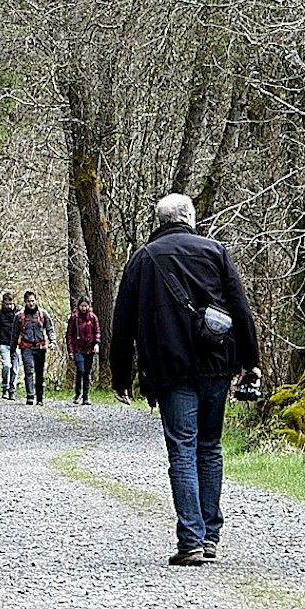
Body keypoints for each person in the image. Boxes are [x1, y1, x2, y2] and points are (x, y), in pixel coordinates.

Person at [110, 193, 261, 567]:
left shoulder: (143, 259)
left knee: (182, 449)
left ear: (160, 221)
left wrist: (120, 374)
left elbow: (123, 321)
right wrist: (250, 361)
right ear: (190, 218)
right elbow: (241, 310)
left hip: (169, 368)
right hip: (217, 364)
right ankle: (209, 537)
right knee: (209, 448)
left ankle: (191, 540)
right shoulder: (216, 252)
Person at [16, 290, 56, 405]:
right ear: (25, 302)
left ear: (36, 301)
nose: (31, 303)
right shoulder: (19, 316)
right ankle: (30, 395)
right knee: (29, 370)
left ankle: (39, 397)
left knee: (39, 373)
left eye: (33, 301)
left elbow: (49, 329)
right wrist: (13, 349)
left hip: (40, 347)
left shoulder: (43, 314)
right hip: (26, 347)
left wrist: (52, 341)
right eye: (29, 301)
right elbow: (15, 333)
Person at [66, 296, 101, 405]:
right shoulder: (74, 318)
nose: (84, 308)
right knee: (80, 370)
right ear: (79, 306)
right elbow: (69, 335)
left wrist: (96, 343)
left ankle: (86, 396)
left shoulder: (93, 318)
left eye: (86, 306)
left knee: (87, 372)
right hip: (78, 349)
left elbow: (97, 332)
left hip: (90, 349)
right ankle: (77, 394)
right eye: (82, 306)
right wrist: (70, 350)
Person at [0, 292, 23, 400]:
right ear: (2, 303)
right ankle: (5, 387)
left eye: (10, 304)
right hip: (4, 344)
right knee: (7, 365)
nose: (8, 306)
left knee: (15, 369)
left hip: (17, 344)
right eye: (6, 304)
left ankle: (12, 390)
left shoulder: (19, 314)